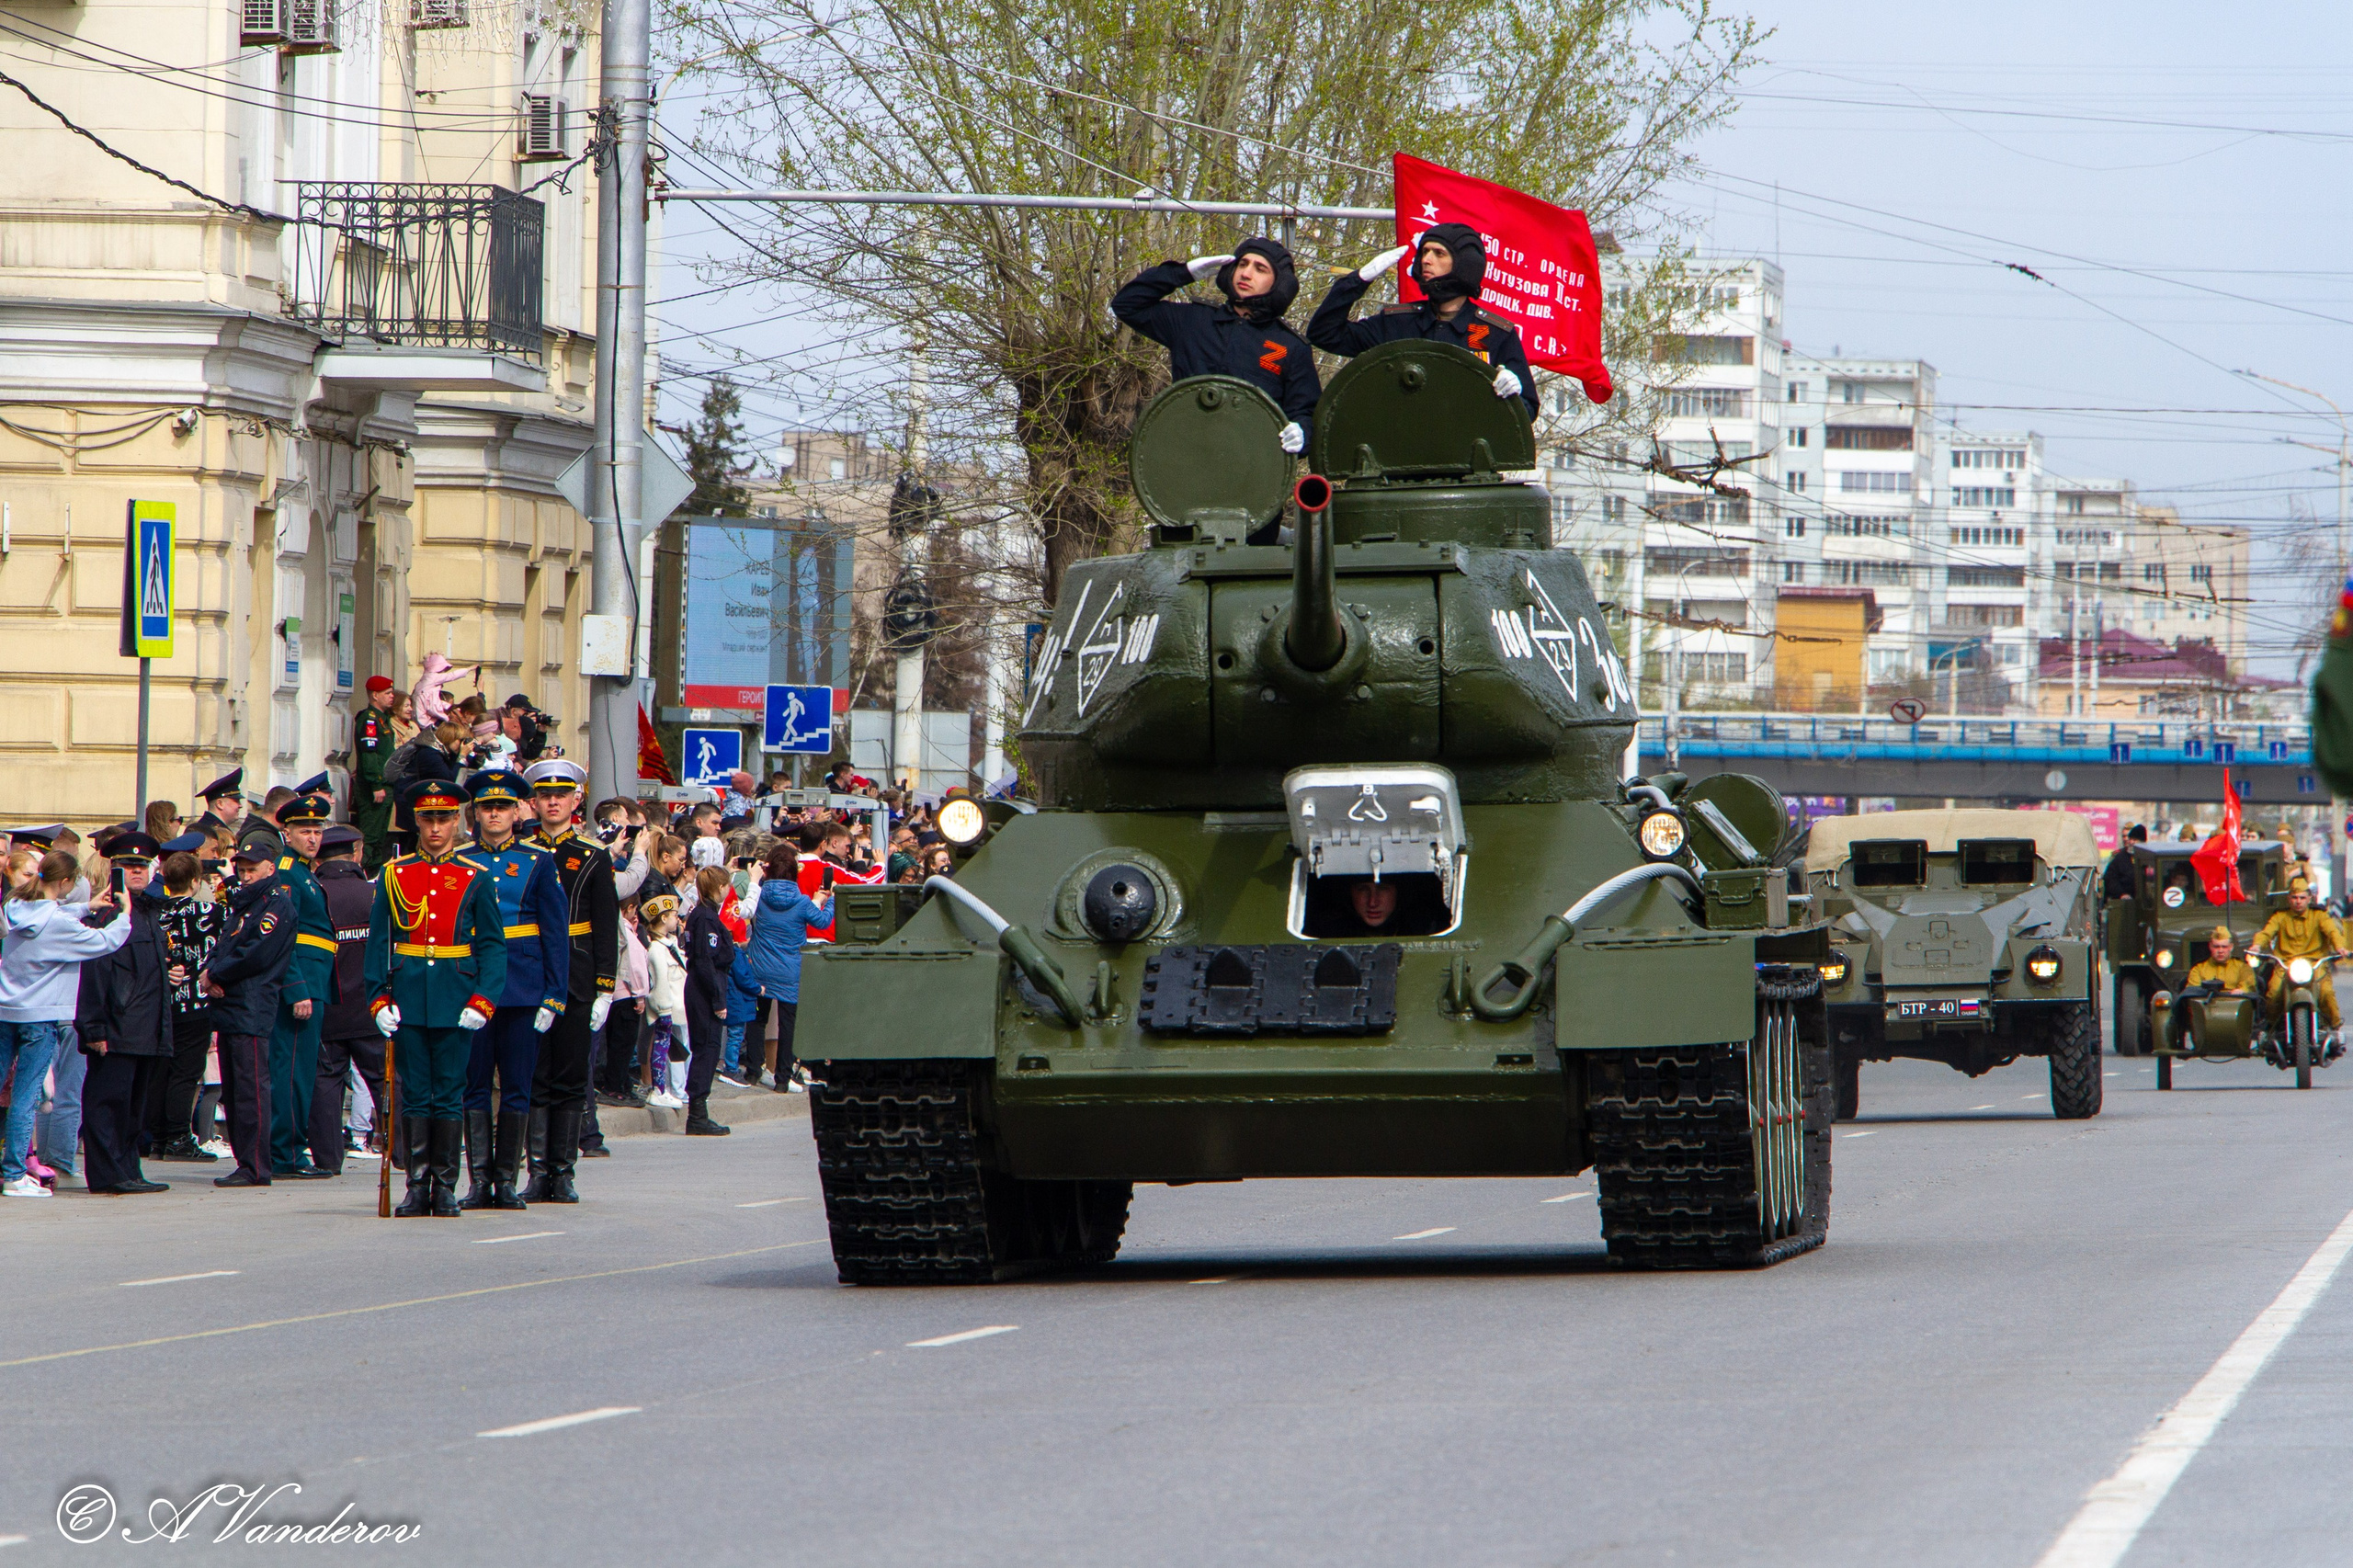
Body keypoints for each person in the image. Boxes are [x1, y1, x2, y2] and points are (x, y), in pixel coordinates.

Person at [366, 778, 508, 1217]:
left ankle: (444, 1184)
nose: (434, 828)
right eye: (427, 819)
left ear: (456, 822)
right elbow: (379, 944)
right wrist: (378, 999)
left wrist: (483, 1000)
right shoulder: (395, 874)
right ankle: (415, 1184)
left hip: (455, 996)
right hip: (409, 995)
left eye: (444, 819)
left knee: (448, 1092)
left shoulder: (474, 877)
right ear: (416, 821)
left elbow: (491, 946)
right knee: (415, 1093)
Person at [454, 770, 571, 1210]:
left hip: (523, 987)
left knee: (519, 1086)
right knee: (475, 1086)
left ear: (518, 811)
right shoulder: (461, 859)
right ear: (476, 813)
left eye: (503, 806)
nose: (495, 814)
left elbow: (555, 934)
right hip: (474, 985)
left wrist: (554, 994)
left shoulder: (539, 861)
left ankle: (507, 1180)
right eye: (486, 807)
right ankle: (479, 1180)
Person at [1111, 237, 1322, 458]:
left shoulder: (1289, 347)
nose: (1246, 274)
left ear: (1278, 283)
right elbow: (1127, 304)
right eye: (1242, 264)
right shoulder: (1194, 321)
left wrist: (1302, 434)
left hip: (1247, 469)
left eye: (1260, 269)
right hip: (1182, 458)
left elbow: (1307, 413)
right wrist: (1183, 272)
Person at [1308, 224, 1540, 420]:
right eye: (1425, 252)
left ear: (1464, 264)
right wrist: (1356, 281)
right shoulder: (1397, 324)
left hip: (1467, 463)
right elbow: (1325, 333)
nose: (1426, 260)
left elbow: (1528, 412)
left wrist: (1514, 396)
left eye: (1439, 254)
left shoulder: (1495, 333)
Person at [0, 850, 129, 1197]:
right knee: (25, 1098)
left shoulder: (14, 907)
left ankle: (11, 1170)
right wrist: (125, 916)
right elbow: (105, 941)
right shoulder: (58, 923)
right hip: (40, 1017)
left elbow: (48, 917)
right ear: (67, 883)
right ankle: (13, 1174)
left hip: (6, 1010)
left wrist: (87, 907)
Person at [522, 757, 618, 1205]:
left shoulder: (592, 855)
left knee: (570, 1075)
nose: (553, 802)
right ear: (534, 802)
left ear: (576, 800)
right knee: (533, 1074)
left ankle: (563, 1172)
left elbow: (605, 924)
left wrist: (604, 986)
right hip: (531, 972)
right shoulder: (521, 850)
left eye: (561, 795)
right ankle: (537, 1171)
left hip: (577, 975)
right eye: (545, 795)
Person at [74, 833, 172, 1195]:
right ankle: (108, 1175)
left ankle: (129, 1169)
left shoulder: (146, 912)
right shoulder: (108, 914)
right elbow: (96, 973)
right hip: (117, 1027)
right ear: (114, 870)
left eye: (143, 866)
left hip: (146, 1028)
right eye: (129, 866)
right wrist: (94, 1027)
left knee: (133, 1108)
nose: (138, 873)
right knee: (107, 1104)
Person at [200, 835, 298, 1188]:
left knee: (251, 1088)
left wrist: (217, 973)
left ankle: (256, 1165)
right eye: (241, 869)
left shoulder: (275, 905)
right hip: (230, 1004)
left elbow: (256, 953)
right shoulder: (247, 903)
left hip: (251, 1004)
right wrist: (209, 972)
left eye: (252, 870)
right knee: (236, 1087)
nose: (244, 876)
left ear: (270, 868)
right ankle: (246, 1162)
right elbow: (226, 942)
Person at [260, 794, 339, 1180]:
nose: (313, 837)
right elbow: (284, 938)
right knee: (291, 1070)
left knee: (302, 1071)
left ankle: (291, 1147)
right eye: (305, 830)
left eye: (317, 830)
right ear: (285, 832)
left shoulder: (305, 872)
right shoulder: (288, 873)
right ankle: (285, 1152)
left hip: (315, 978)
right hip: (301, 983)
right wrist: (296, 987)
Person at [311, 824, 385, 1176]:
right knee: (387, 1080)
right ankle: (402, 1151)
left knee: (326, 1083)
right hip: (373, 1008)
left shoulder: (313, 892)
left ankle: (327, 1159)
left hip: (327, 1007)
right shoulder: (376, 893)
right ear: (356, 853)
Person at [148, 844, 226, 1163]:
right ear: (196, 882)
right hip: (196, 1002)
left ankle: (160, 1137)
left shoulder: (157, 914)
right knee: (186, 1073)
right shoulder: (211, 913)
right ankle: (179, 1136)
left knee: (163, 1070)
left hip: (164, 1003)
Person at [737, 845, 833, 1096]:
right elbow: (822, 921)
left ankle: (753, 1070)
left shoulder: (759, 896)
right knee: (787, 1024)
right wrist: (829, 901)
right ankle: (782, 1078)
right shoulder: (801, 902)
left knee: (758, 1020)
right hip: (790, 970)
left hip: (759, 967)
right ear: (794, 873)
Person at [2251, 877, 2351, 1041]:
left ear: (2309, 899)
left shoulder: (2319, 916)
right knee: (2273, 995)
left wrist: (2340, 947)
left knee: (2326, 993)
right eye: (2295, 898)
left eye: (2302, 898)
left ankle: (2334, 1027)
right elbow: (2266, 933)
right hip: (2285, 965)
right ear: (2289, 899)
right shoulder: (2280, 917)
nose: (2298, 902)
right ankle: (2272, 1029)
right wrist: (2257, 945)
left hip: (2314, 965)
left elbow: (2332, 932)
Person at [680, 865, 736, 1136]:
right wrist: (717, 999)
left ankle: (699, 1112)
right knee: (707, 1047)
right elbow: (705, 962)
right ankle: (697, 1115)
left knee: (708, 1048)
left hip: (707, 985)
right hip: (705, 989)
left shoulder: (705, 916)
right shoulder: (705, 918)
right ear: (719, 888)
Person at [2171, 926, 2259, 1050]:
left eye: (2224, 947)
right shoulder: (2199, 968)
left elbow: (2248, 984)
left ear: (2231, 947)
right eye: (2216, 946)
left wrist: (2241, 991)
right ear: (2210, 947)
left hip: (2235, 1013)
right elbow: (2193, 989)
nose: (2220, 950)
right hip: (2206, 1013)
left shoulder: (2243, 967)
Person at [640, 894, 690, 1109]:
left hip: (677, 1006)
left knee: (672, 1047)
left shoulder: (669, 945)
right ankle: (658, 1089)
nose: (677, 920)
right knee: (662, 1048)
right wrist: (663, 1009)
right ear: (662, 919)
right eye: (673, 916)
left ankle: (668, 1089)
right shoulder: (657, 950)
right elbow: (659, 982)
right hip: (666, 1008)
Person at [354, 675, 400, 869]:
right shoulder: (370, 720)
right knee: (371, 838)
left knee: (380, 838)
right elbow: (369, 755)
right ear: (375, 695)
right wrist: (376, 784)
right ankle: (365, 873)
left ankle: (374, 872)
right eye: (387, 693)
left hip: (386, 786)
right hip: (375, 788)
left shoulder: (383, 719)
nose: (392, 697)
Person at [189, 768, 246, 837]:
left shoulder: (210, 829)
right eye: (236, 801)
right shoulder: (209, 832)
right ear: (220, 804)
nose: (240, 805)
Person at [2100, 824, 2146, 904]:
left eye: (2135, 840)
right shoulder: (2120, 858)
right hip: (2124, 904)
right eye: (2130, 839)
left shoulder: (2148, 858)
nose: (2131, 842)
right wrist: (2121, 894)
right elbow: (2110, 879)